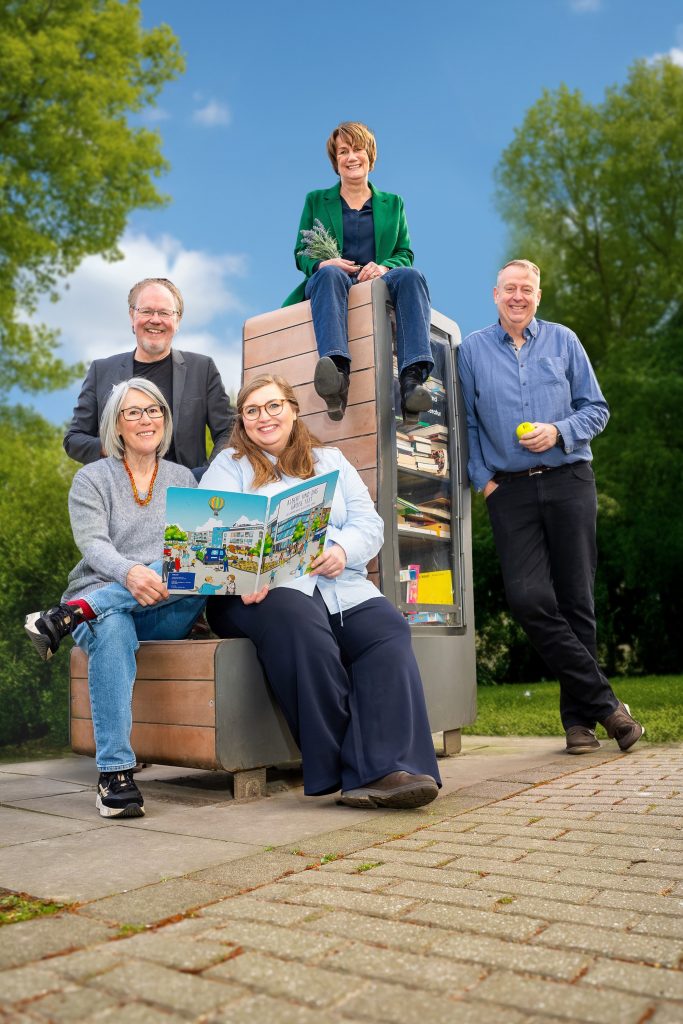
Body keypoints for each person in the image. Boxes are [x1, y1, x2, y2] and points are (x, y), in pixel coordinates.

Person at [200, 373, 441, 808]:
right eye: (252, 410)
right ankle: (352, 769)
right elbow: (208, 534)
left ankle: (393, 766)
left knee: (387, 629)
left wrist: (343, 549)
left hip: (336, 583)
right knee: (301, 621)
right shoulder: (228, 466)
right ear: (242, 421)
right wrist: (247, 577)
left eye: (274, 406)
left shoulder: (331, 460)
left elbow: (369, 525)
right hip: (250, 594)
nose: (264, 417)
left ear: (293, 410)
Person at [457, 259, 644, 756]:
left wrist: (559, 432)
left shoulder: (564, 341)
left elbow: (596, 409)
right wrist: (484, 481)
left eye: (527, 289)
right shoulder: (471, 351)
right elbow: (467, 424)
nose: (518, 296)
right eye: (510, 289)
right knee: (528, 600)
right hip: (509, 491)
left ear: (538, 296)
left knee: (577, 601)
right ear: (494, 294)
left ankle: (579, 723)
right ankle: (609, 707)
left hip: (569, 480)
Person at [25, 380, 204, 818]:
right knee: (112, 627)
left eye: (154, 411)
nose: (147, 420)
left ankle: (69, 617)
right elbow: (94, 547)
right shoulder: (90, 479)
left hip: (167, 607)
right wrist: (130, 572)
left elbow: (193, 557)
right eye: (134, 413)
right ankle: (115, 775)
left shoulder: (185, 479)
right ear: (116, 426)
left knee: (194, 570)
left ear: (165, 418)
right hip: (108, 595)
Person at [283, 122, 433, 424]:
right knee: (330, 275)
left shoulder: (394, 203)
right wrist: (323, 263)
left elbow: (405, 253)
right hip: (332, 282)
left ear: (370, 156)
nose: (351, 157)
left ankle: (412, 381)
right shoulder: (316, 199)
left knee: (412, 276)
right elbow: (302, 251)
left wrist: (384, 267)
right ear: (335, 161)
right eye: (343, 151)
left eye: (358, 149)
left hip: (377, 281)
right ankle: (337, 376)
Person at [64, 277, 235, 475]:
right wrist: (114, 447)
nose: (155, 319)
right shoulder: (101, 370)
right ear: (132, 316)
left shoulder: (202, 369)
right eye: (146, 311)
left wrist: (207, 475)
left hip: (183, 497)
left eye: (164, 312)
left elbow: (229, 430)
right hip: (122, 493)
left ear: (177, 320)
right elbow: (74, 439)